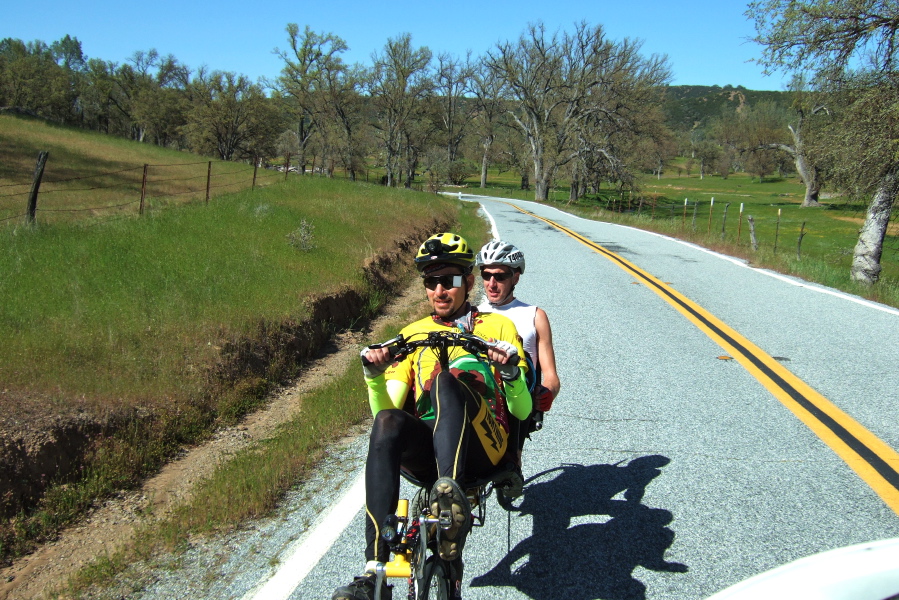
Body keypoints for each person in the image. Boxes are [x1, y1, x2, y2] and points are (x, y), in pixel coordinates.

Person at [332, 232, 532, 600]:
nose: (440, 290)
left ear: (468, 283)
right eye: (431, 282)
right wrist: (373, 377)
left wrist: (510, 374)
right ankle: (373, 573)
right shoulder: (412, 335)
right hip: (429, 453)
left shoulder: (497, 328)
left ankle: (450, 503)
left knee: (446, 381)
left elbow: (522, 410)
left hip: (484, 444)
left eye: (450, 280)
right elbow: (386, 414)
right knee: (388, 423)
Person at [475, 240, 561, 463]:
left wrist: (548, 392)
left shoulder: (535, 315)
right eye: (486, 275)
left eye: (500, 276)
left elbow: (551, 376)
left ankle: (513, 463)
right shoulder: (472, 315)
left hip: (517, 393)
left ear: (515, 278)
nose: (492, 284)